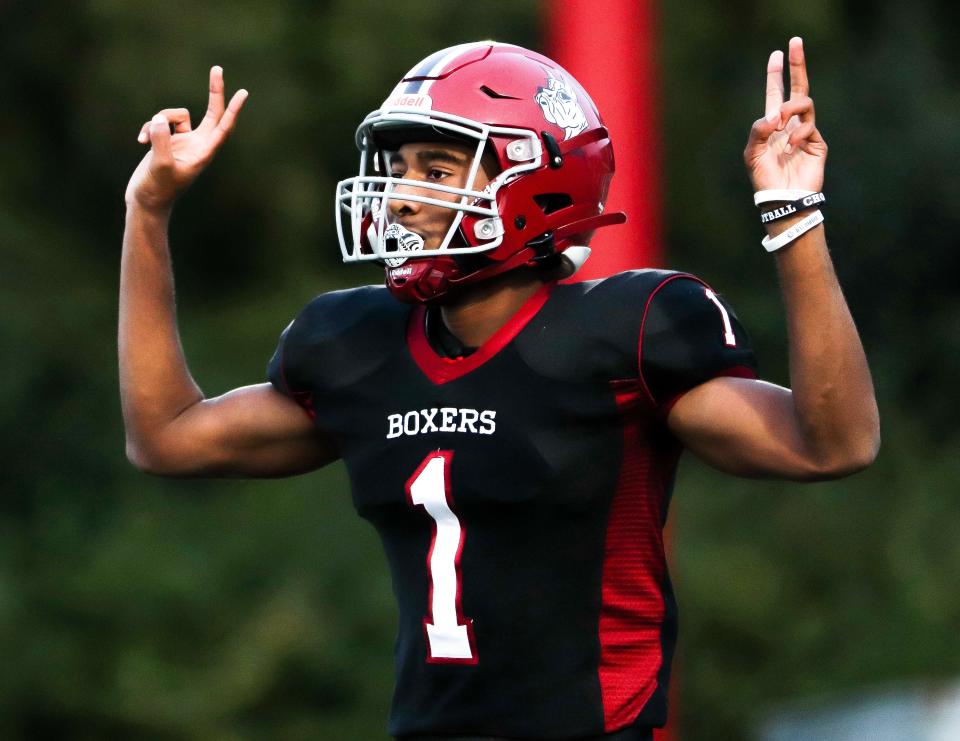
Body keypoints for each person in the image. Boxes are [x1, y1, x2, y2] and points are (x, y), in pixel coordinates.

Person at [120, 39, 879, 741]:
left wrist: (792, 216)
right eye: (399, 168)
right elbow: (166, 434)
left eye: (437, 170)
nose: (401, 197)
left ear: (538, 180)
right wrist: (148, 211)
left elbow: (833, 443)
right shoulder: (357, 344)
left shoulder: (622, 332)